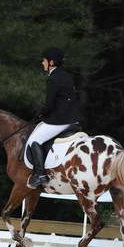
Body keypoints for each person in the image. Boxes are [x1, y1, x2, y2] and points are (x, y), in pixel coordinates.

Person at [27, 47, 83, 189]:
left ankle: (40, 174)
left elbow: (50, 104)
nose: (42, 63)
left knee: (34, 140)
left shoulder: (53, 79)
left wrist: (41, 113)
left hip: (59, 120)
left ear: (51, 62)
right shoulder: (66, 75)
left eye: (44, 60)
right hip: (72, 118)